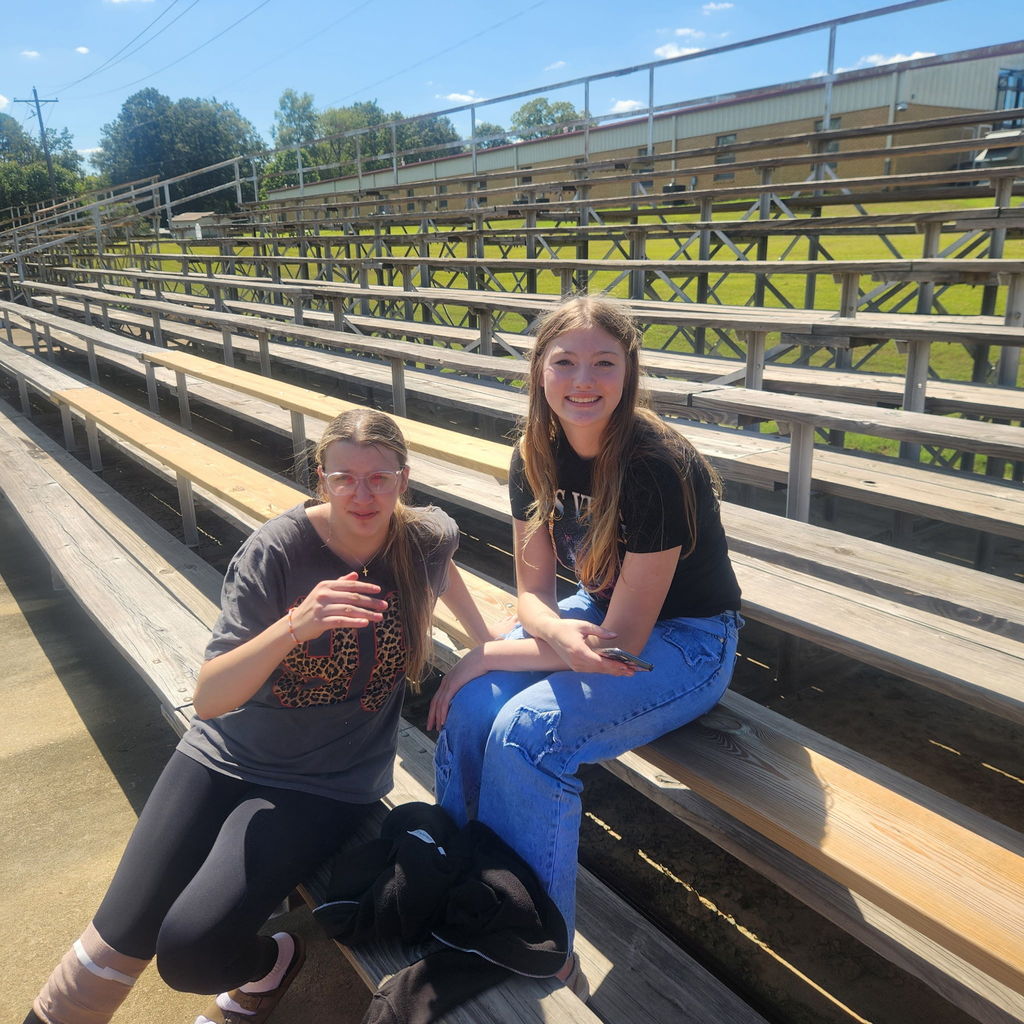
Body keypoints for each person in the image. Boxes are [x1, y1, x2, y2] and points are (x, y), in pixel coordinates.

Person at [25, 408, 498, 1024]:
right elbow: (212, 697)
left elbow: (442, 565)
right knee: (117, 937)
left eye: (379, 479)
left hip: (325, 784)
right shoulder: (277, 551)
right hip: (223, 755)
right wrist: (296, 625)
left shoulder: (426, 537)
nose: (362, 494)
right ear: (321, 479)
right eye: (344, 478)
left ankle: (274, 962)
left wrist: (481, 649)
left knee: (189, 953)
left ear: (403, 481)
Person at [428, 295, 743, 995]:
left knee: (525, 730)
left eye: (604, 362)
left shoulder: (655, 465)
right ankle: (456, 880)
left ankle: (536, 941)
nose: (583, 380)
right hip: (594, 615)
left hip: (686, 641)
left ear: (629, 372)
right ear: (539, 371)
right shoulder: (532, 454)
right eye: (564, 361)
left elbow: (622, 643)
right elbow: (535, 598)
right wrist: (506, 651)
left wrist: (487, 652)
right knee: (476, 707)